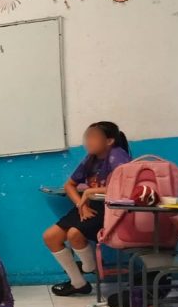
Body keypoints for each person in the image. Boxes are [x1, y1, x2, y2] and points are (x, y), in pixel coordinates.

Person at [43, 122, 131, 296]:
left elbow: (124, 188)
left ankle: (89, 267)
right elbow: (69, 185)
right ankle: (79, 283)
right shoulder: (90, 158)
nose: (88, 141)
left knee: (74, 234)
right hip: (88, 205)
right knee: (50, 237)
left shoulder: (117, 156)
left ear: (109, 141)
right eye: (87, 137)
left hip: (111, 208)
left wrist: (90, 192)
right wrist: (80, 205)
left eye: (93, 137)